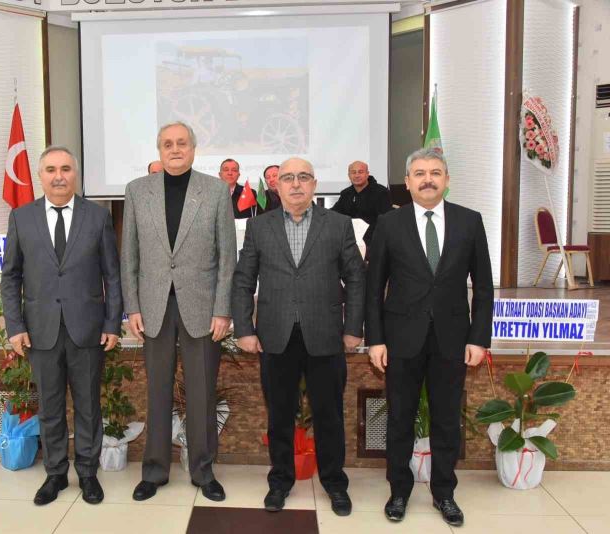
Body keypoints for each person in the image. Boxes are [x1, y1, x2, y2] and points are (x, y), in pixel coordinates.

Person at [365, 148, 493, 527]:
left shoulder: (470, 221)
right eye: (419, 173)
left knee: (447, 420)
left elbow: (484, 286)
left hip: (452, 339)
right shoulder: (389, 224)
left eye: (435, 172)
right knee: (399, 419)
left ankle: (444, 493)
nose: (427, 179)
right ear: (407, 182)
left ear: (447, 180)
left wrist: (478, 338)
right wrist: (376, 340)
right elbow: (374, 288)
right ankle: (399, 491)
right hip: (401, 338)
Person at [232, 157, 365, 516]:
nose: (295, 184)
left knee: (329, 415)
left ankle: (335, 483)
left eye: (303, 177)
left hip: (326, 335)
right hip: (275, 336)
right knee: (279, 415)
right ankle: (280, 481)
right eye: (288, 177)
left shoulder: (337, 225)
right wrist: (244, 329)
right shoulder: (259, 227)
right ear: (277, 185)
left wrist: (353, 328)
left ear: (314, 184)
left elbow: (356, 278)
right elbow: (243, 280)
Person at [121, 121, 237, 502]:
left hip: (202, 308)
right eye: (168, 144)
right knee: (157, 390)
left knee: (201, 391)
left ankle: (203, 471)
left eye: (182, 143)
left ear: (193, 149)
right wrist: (132, 306)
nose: (175, 149)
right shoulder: (137, 191)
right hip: (153, 307)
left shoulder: (215, 191)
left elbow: (227, 257)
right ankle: (154, 471)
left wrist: (223, 309)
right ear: (159, 150)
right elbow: (129, 256)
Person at [1, 145, 122, 506]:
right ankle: (55, 474)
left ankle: (87, 473)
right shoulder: (21, 218)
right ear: (40, 176)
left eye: (66, 169)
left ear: (76, 174)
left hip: (88, 329)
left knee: (88, 406)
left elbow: (112, 275)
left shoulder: (97, 217)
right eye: (51, 169)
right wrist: (15, 326)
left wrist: (112, 322)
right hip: (40, 331)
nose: (59, 176)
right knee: (50, 408)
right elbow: (11, 277)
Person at [331, 161, 392, 246]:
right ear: (349, 175)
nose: (357, 175)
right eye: (353, 172)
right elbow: (334, 213)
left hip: (374, 241)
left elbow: (386, 221)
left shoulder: (381, 192)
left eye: (360, 172)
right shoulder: (346, 194)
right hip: (349, 241)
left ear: (367, 174)